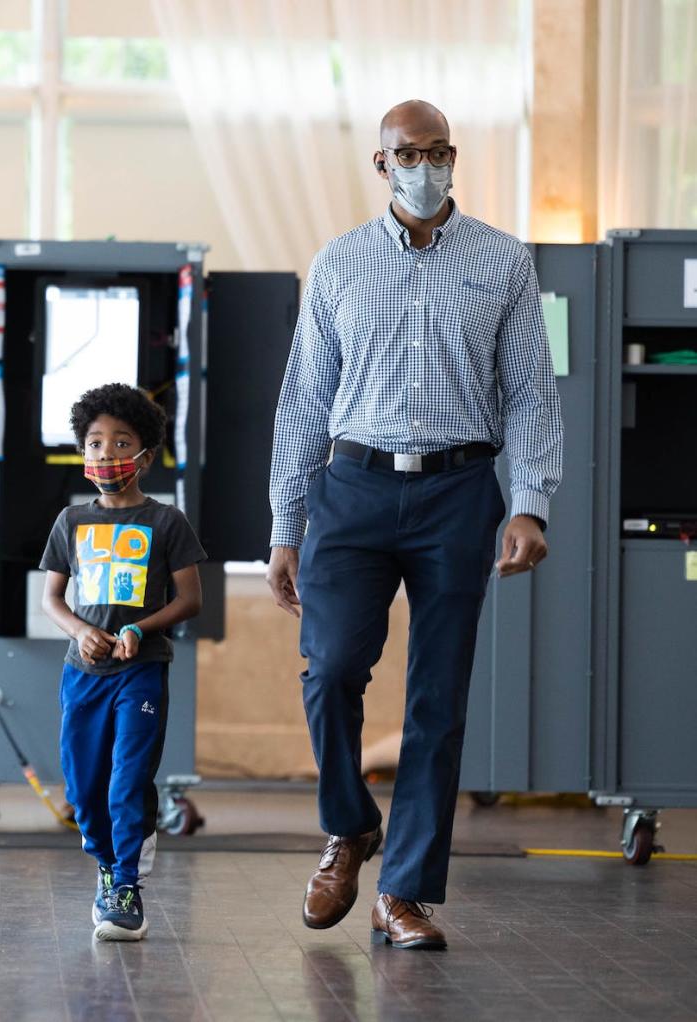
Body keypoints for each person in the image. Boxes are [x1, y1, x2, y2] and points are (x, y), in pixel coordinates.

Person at [267, 100, 562, 949]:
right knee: (329, 671)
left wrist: (531, 503)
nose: (422, 167)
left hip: (458, 492)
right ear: (381, 163)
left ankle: (405, 893)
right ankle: (349, 826)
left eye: (436, 152)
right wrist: (286, 526)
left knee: (437, 698)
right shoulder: (339, 264)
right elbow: (302, 405)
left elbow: (532, 393)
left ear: (454, 157)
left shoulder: (503, 263)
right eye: (407, 154)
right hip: (351, 490)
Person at [40, 383, 205, 942]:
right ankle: (107, 860)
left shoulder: (167, 523)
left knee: (127, 779)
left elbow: (190, 599)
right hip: (83, 675)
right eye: (94, 442)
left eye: (120, 442)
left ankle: (125, 886)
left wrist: (139, 627)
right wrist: (83, 631)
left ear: (144, 454)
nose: (105, 454)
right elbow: (53, 600)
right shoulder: (71, 522)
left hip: (141, 671)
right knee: (84, 786)